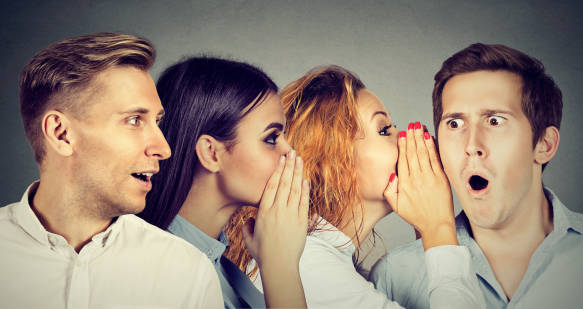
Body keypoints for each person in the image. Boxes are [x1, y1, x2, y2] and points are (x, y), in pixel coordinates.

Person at [370, 43, 583, 308]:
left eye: (494, 121)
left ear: (544, 144)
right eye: (455, 123)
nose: (472, 145)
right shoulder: (394, 275)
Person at [225, 65, 485, 308]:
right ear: (335, 162)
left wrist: (425, 227)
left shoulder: (316, 259)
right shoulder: (310, 266)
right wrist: (438, 226)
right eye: (384, 130)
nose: (405, 138)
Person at [0, 33, 223, 308]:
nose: (164, 149)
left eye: (157, 122)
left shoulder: (188, 272)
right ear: (61, 134)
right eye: (134, 120)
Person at [138, 56, 309, 309]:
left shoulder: (221, 266)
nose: (290, 153)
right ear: (211, 153)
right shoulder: (159, 274)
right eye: (271, 138)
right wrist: (280, 267)